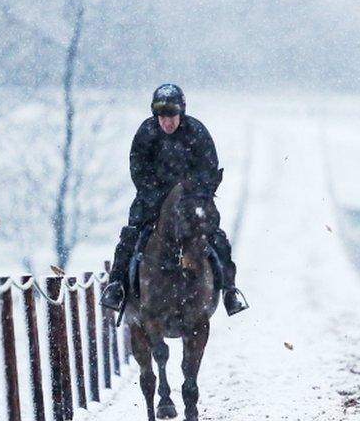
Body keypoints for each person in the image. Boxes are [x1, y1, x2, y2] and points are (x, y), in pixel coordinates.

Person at [100, 83, 249, 316]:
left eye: (171, 117)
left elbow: (209, 169)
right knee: (130, 235)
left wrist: (192, 194)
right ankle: (117, 286)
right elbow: (138, 169)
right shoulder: (146, 133)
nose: (167, 122)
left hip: (192, 200)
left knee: (216, 237)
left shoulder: (197, 132)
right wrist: (159, 196)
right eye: (162, 117)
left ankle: (230, 291)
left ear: (181, 113)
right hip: (152, 199)